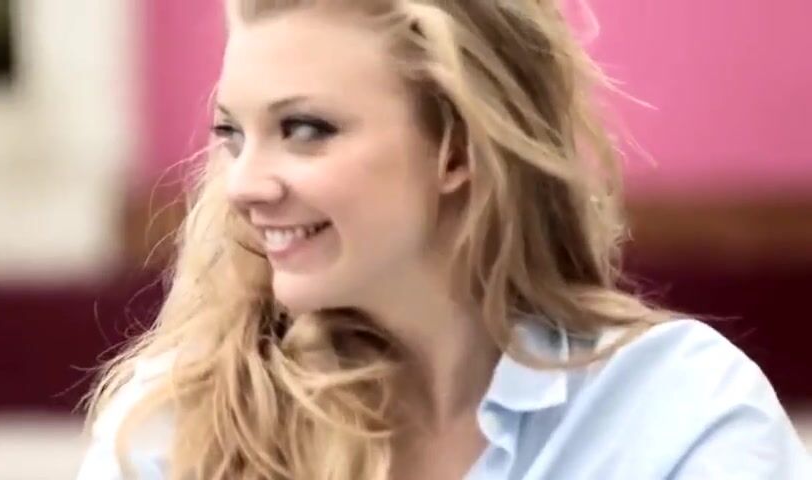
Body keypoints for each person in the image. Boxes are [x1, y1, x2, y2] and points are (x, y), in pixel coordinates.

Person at [77, 1, 811, 479]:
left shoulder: (679, 410)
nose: (243, 184)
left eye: (304, 129)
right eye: (232, 132)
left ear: (457, 147)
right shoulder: (177, 427)